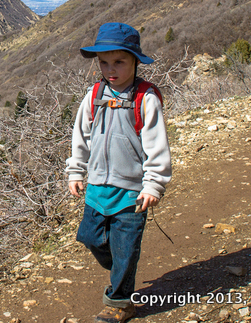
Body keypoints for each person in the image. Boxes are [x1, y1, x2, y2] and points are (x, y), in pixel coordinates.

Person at [66, 22, 172, 323]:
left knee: (124, 250)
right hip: (98, 186)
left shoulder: (146, 98)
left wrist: (153, 185)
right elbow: (81, 137)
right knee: (90, 238)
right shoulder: (94, 95)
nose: (110, 69)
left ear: (134, 61)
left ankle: (119, 302)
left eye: (119, 61)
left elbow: (156, 144)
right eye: (103, 62)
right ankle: (121, 269)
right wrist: (76, 171)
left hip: (132, 192)